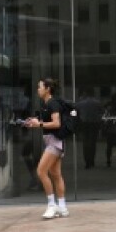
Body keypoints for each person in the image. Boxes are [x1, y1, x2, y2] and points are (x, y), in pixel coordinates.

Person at [23, 77, 69, 219]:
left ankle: (52, 205)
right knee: (55, 174)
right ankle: (62, 207)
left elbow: (56, 123)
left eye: (40, 87)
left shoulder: (53, 103)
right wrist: (35, 122)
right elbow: (47, 123)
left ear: (48, 89)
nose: (38, 89)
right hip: (52, 141)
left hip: (54, 142)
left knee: (41, 171)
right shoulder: (46, 104)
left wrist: (39, 125)